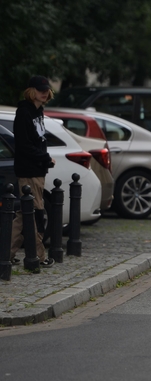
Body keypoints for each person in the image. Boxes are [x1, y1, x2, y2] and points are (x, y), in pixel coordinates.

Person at [10, 76, 56, 268]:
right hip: (29, 171)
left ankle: (5, 253)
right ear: (31, 91)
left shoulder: (38, 111)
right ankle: (38, 256)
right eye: (40, 90)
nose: (44, 93)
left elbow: (38, 141)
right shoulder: (24, 113)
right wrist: (45, 158)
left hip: (37, 170)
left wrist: (44, 160)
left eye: (46, 89)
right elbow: (24, 145)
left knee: (23, 214)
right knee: (35, 213)